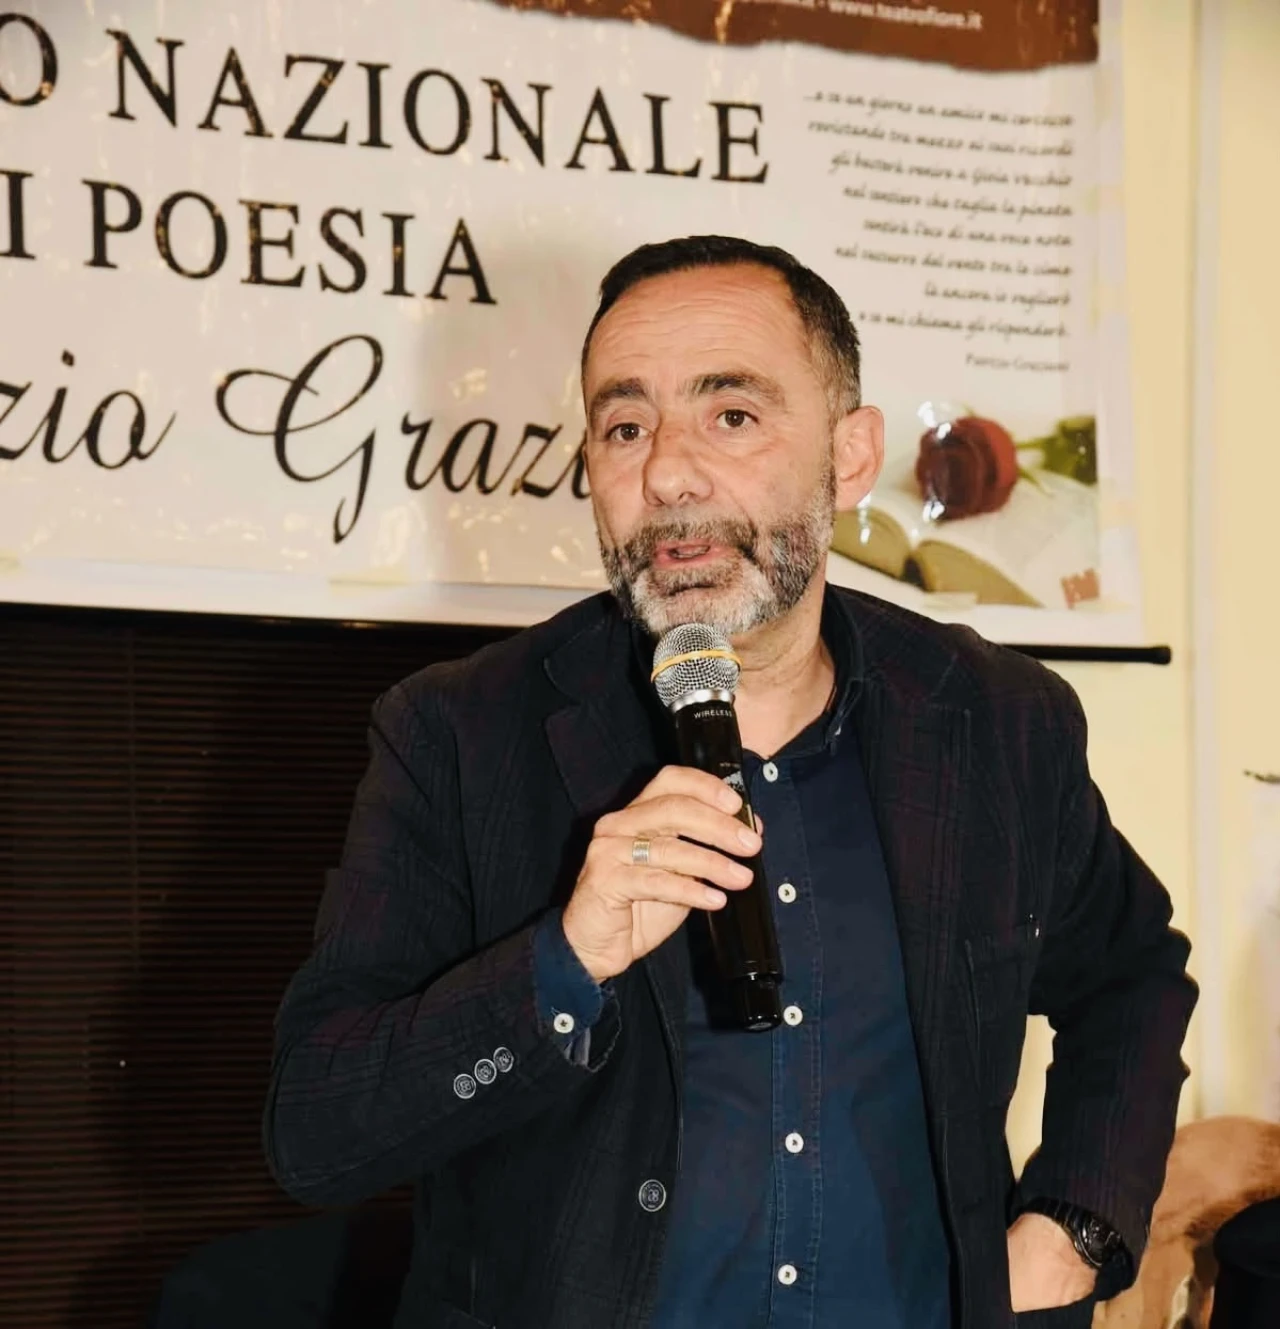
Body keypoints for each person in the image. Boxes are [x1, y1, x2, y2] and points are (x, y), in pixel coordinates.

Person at [263, 235, 1197, 1329]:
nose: (666, 474)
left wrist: (1073, 1230)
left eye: (732, 415)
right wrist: (563, 961)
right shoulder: (460, 735)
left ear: (850, 457)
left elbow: (1131, 975)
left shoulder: (992, 720)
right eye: (625, 427)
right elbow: (316, 1130)